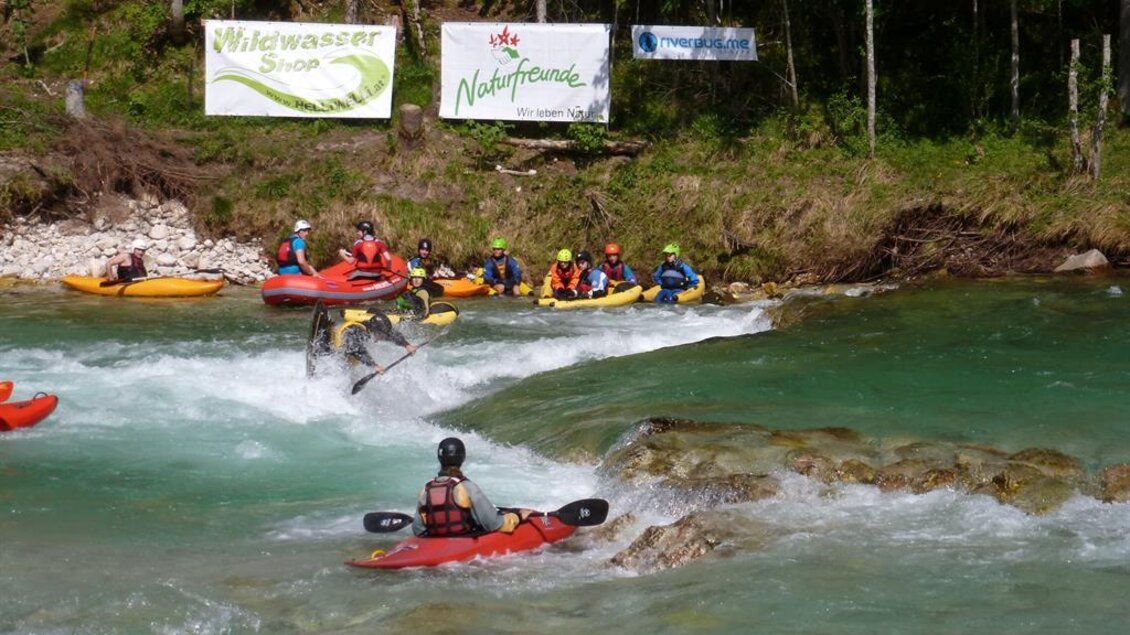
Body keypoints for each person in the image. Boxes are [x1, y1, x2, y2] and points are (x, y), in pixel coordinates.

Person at [412, 437, 533, 537]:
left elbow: (418, 530)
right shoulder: (467, 487)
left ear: (440, 458)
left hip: (437, 544)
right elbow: (494, 524)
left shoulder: (426, 490)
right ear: (462, 458)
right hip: (464, 541)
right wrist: (517, 516)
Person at [311, 307, 417, 376]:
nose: (382, 337)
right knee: (347, 362)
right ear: (374, 330)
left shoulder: (373, 328)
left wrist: (407, 345)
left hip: (348, 353)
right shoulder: (355, 331)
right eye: (381, 335)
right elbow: (357, 350)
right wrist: (374, 365)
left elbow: (392, 334)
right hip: (332, 352)